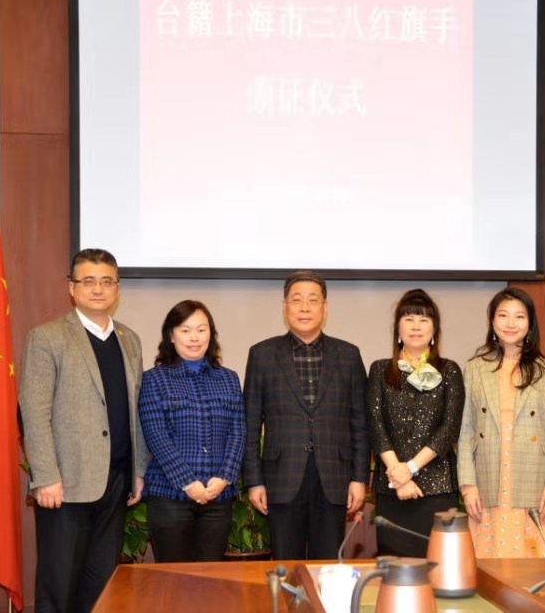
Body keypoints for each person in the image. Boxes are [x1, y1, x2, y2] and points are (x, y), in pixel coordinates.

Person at [19, 249, 149, 613]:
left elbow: (135, 409)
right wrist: (46, 476)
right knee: (59, 584)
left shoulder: (129, 339)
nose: (98, 289)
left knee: (102, 583)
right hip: (65, 484)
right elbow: (34, 411)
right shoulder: (47, 337)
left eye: (107, 281)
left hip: (116, 480)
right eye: (88, 281)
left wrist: (138, 470)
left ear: (117, 289)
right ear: (72, 288)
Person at [242, 270, 370, 560]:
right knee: (287, 565)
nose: (304, 308)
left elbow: (360, 423)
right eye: (296, 300)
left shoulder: (348, 355)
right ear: (284, 306)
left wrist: (359, 478)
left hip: (334, 478)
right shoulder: (262, 354)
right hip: (281, 478)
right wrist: (254, 481)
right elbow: (250, 424)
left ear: (325, 308)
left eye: (313, 300)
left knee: (328, 564)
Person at [458, 287, 545, 558]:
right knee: (488, 562)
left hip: (534, 482)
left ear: (530, 323)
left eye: (519, 316)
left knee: (533, 564)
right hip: (487, 482)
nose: (510, 323)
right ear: (492, 321)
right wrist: (468, 486)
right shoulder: (474, 368)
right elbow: (465, 430)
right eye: (503, 315)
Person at [138, 300, 245, 562]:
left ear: (211, 334)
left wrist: (225, 477)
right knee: (173, 577)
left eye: (201, 330)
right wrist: (188, 482)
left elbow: (238, 431)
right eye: (185, 330)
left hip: (218, 496)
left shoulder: (229, 378)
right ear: (171, 336)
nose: (194, 338)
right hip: (170, 497)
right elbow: (156, 436)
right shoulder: (154, 379)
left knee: (211, 576)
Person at [366, 289, 465, 557]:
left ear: (434, 330)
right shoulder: (379, 370)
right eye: (409, 319)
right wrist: (398, 474)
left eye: (424, 320)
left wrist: (409, 468)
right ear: (398, 329)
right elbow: (376, 425)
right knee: (395, 570)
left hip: (437, 489)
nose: (416, 326)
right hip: (391, 488)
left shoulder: (449, 370)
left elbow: (449, 428)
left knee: (439, 567)